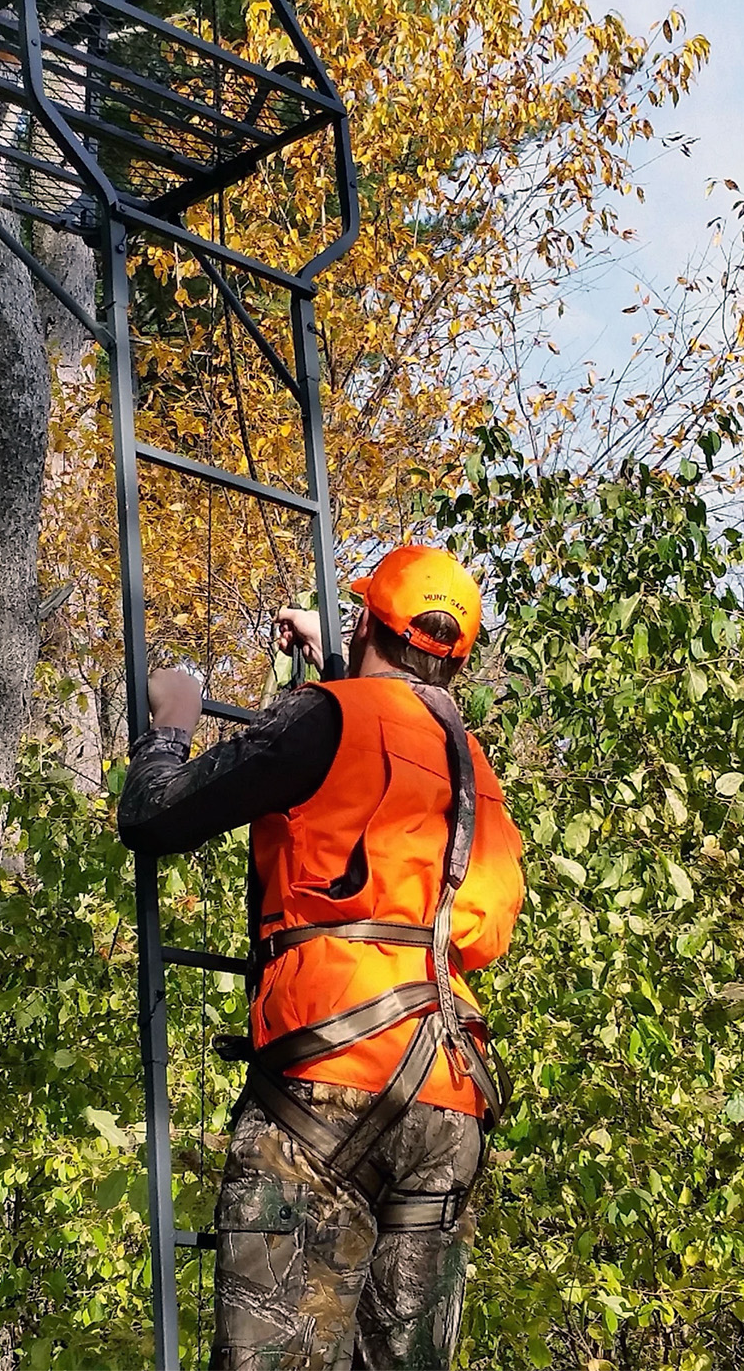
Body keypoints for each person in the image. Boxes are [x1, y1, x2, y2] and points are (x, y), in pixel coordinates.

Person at [118, 544, 525, 1371]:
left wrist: (171, 724)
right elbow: (391, 767)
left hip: (324, 1089)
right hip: (448, 1099)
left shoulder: (324, 718)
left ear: (368, 619)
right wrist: (340, 667)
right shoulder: (474, 767)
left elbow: (155, 820)